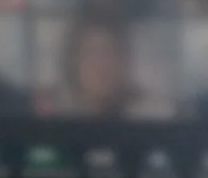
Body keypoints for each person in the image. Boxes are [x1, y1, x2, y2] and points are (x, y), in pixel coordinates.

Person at [38, 14, 169, 119]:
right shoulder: (50, 112)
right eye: (92, 53)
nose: (102, 65)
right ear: (73, 61)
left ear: (125, 60)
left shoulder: (150, 114)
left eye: (110, 53)